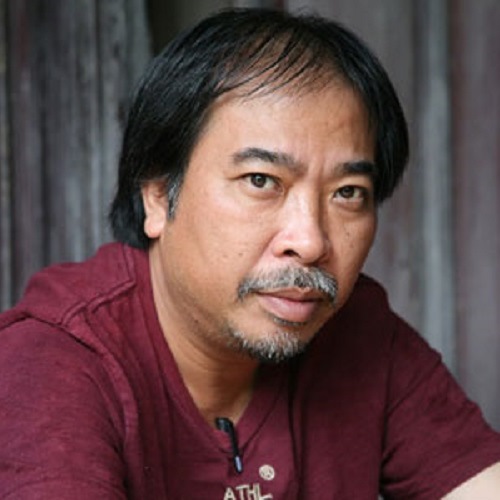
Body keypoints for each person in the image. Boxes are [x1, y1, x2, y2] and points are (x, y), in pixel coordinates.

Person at [0, 8, 499, 499]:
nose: (310, 241)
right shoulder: (54, 360)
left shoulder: (359, 333)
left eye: (347, 193)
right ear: (157, 195)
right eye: (261, 181)